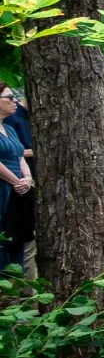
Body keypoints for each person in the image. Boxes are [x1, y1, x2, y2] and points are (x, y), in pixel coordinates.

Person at [0, 86, 31, 276]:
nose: (15, 101)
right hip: (3, 188)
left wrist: (27, 178)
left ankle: (16, 286)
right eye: (9, 97)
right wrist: (16, 181)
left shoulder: (10, 129)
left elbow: (20, 155)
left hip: (17, 191)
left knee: (18, 236)